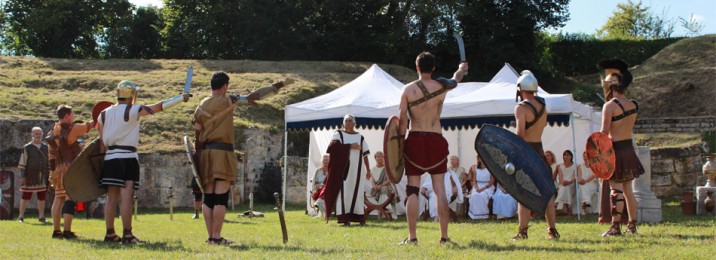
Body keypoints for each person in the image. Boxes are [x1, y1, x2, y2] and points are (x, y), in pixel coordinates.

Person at [193, 72, 293, 244]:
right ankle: (216, 237)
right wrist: (279, 85)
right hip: (222, 153)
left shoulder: (200, 106)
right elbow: (256, 96)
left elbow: (196, 128)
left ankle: (210, 237)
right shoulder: (228, 99)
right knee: (220, 197)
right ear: (224, 86)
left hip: (206, 154)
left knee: (208, 198)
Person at [98, 80, 191, 243]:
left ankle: (110, 233)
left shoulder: (103, 114)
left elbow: (101, 145)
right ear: (132, 95)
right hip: (127, 158)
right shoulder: (133, 110)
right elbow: (158, 107)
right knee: (126, 196)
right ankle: (127, 234)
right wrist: (179, 98)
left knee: (111, 198)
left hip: (110, 158)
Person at [398, 52, 467, 245]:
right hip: (436, 139)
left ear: (417, 67)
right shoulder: (442, 86)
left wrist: (399, 144)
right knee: (440, 190)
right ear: (434, 68)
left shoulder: (408, 90)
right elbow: (457, 79)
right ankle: (444, 238)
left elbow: (402, 120)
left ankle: (412, 238)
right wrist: (461, 69)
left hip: (415, 141)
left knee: (412, 189)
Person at [597, 58, 644, 236]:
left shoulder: (609, 106)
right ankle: (632, 225)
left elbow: (603, 133)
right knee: (628, 191)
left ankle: (615, 227)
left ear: (610, 87)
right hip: (628, 148)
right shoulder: (633, 105)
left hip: (615, 150)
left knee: (615, 189)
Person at [511, 70, 559, 240]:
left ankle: (523, 232)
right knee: (547, 194)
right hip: (540, 150)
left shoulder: (521, 108)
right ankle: (552, 230)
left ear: (520, 88)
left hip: (526, 152)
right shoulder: (543, 107)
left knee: (522, 194)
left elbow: (520, 134)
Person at [47, 105, 95, 239]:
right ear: (67, 116)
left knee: (58, 199)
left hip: (57, 169)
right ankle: (67, 231)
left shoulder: (52, 132)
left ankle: (56, 231)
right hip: (70, 168)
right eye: (72, 115)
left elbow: (51, 156)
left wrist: (53, 173)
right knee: (69, 198)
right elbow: (91, 125)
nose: (73, 117)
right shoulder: (72, 129)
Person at [322, 115, 371, 226]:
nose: (348, 123)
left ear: (354, 123)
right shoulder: (338, 134)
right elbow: (332, 147)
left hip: (358, 171)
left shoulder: (360, 137)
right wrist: (349, 146)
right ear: (343, 123)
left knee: (357, 194)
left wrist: (368, 170)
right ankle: (345, 218)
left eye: (350, 121)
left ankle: (359, 218)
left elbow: (365, 155)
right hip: (343, 171)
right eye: (346, 121)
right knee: (344, 194)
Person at [17, 127, 49, 223]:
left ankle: (41, 217)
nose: (38, 135)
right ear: (32, 135)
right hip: (30, 176)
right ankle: (21, 217)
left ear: (42, 134)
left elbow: (49, 161)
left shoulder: (46, 147)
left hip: (42, 175)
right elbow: (22, 163)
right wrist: (23, 177)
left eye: (40, 133)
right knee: (26, 195)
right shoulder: (27, 147)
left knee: (42, 196)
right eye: (36, 133)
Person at [467, 154, 495, 220]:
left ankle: (483, 215)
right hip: (478, 186)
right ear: (478, 159)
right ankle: (475, 216)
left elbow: (492, 181)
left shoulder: (490, 167)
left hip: (487, 186)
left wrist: (483, 188)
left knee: (482, 196)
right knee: (474, 195)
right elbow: (474, 180)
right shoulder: (475, 168)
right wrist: (476, 187)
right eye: (480, 158)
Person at [554, 150, 578, 216]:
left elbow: (574, 177)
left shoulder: (575, 166)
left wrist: (569, 182)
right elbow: (560, 178)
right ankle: (569, 209)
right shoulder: (560, 166)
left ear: (571, 156)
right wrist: (563, 183)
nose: (566, 156)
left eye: (567, 155)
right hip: (562, 184)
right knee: (564, 188)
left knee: (565, 188)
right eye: (565, 155)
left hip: (571, 184)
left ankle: (556, 203)